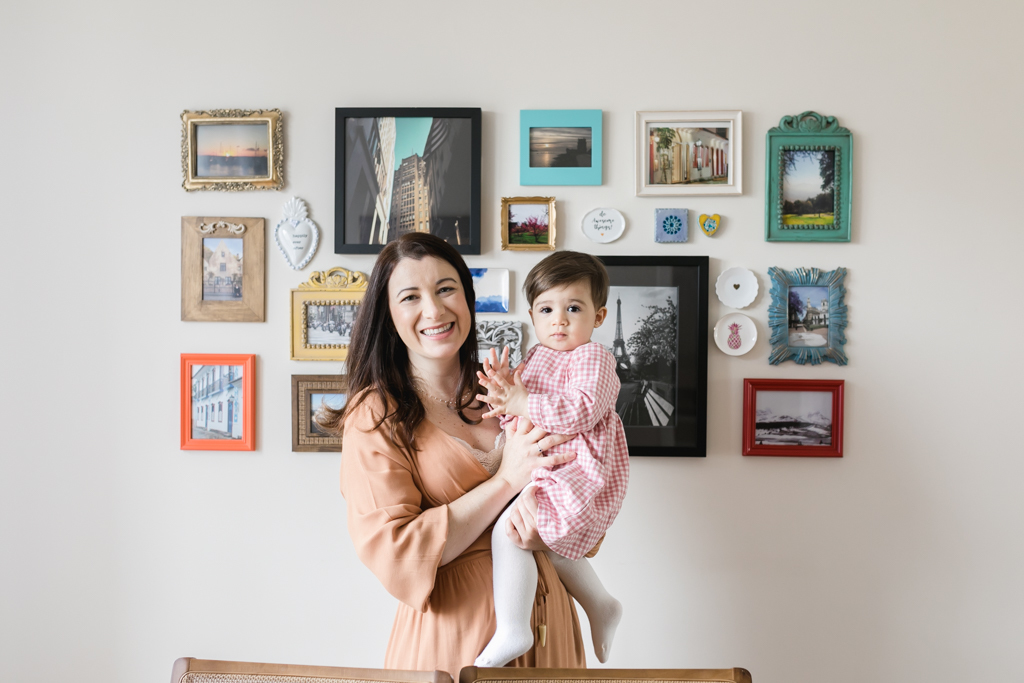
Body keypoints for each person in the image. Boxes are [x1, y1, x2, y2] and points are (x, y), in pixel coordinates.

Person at [316, 233, 596, 677]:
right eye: (411, 296)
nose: (435, 310)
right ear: (389, 316)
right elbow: (396, 552)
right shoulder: (375, 415)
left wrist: (554, 532)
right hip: (457, 641)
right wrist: (507, 479)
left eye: (447, 289)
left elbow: (585, 486)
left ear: (468, 299)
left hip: (551, 629)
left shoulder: (513, 391)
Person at [473, 251, 628, 667]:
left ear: (598, 317)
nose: (559, 320)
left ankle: (513, 628)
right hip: (543, 466)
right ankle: (601, 603)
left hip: (574, 469)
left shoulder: (593, 358)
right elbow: (513, 415)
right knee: (545, 537)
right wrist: (503, 394)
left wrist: (522, 399)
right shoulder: (537, 357)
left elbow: (582, 409)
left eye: (572, 308)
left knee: (511, 529)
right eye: (547, 309)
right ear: (532, 315)